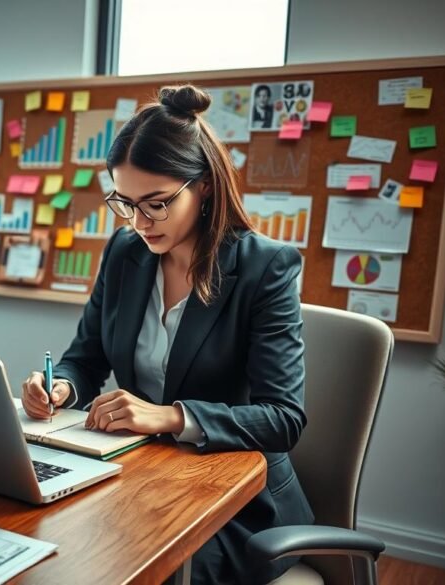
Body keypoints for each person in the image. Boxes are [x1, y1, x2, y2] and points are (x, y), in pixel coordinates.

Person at [21, 84, 313, 584]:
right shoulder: (124, 251)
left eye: (155, 203)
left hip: (234, 502)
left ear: (203, 187)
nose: (138, 221)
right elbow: (86, 358)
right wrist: (62, 386)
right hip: (141, 475)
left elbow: (283, 419)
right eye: (124, 202)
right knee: (50, 546)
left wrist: (171, 417)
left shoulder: (266, 267)